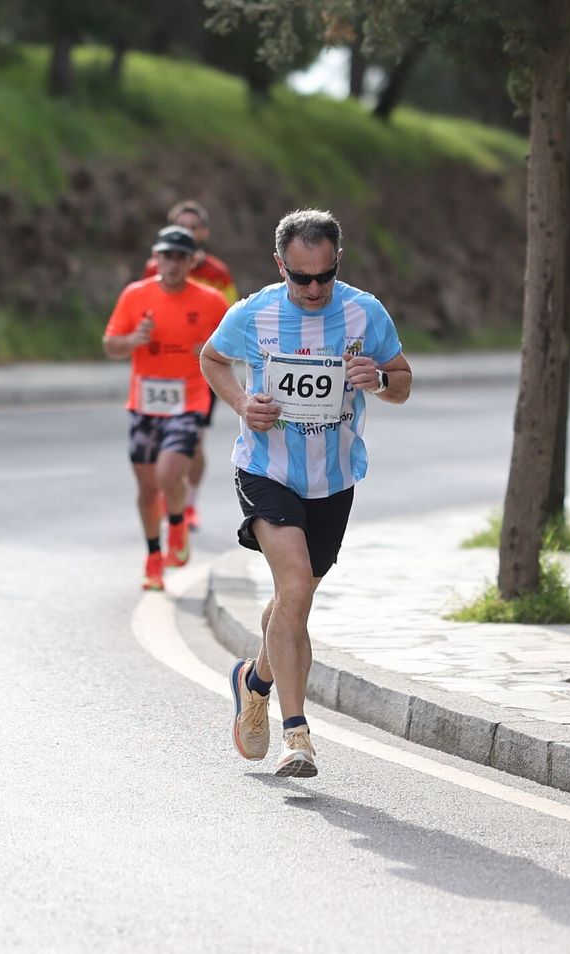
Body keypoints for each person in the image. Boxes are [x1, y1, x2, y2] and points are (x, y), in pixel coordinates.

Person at [201, 209, 412, 778]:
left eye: (324, 276)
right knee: (293, 584)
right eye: (301, 278)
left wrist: (380, 381)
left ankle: (255, 681)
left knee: (295, 599)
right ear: (280, 266)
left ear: (337, 262)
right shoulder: (254, 313)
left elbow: (403, 380)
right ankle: (298, 736)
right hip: (266, 469)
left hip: (333, 479)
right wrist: (244, 403)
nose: (314, 289)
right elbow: (212, 359)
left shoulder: (365, 312)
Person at [104, 225, 230, 590]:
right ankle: (154, 557)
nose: (171, 264)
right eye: (165, 256)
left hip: (189, 401)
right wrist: (133, 339)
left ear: (191, 261)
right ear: (155, 259)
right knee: (146, 490)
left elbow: (236, 348)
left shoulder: (210, 301)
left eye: (179, 257)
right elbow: (111, 345)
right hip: (144, 404)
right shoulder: (135, 295)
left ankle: (176, 523)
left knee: (169, 476)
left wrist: (210, 349)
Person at [143, 200, 238, 534]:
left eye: (193, 227)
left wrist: (211, 344)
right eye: (180, 225)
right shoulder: (155, 266)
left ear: (204, 233)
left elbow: (231, 320)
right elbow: (145, 309)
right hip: (160, 372)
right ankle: (165, 495)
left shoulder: (217, 274)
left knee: (193, 442)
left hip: (200, 373)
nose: (187, 232)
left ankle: (190, 504)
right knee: (156, 443)